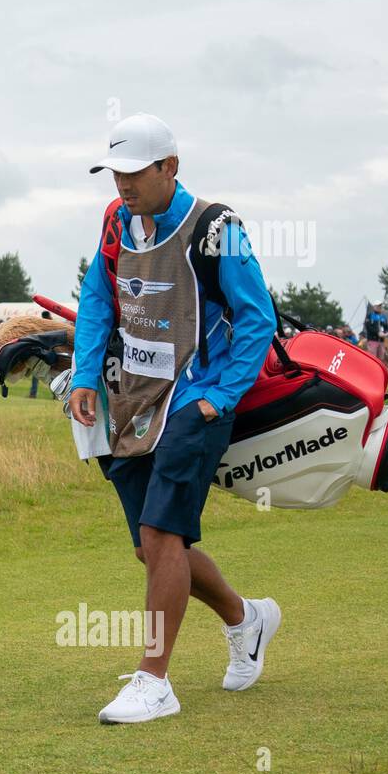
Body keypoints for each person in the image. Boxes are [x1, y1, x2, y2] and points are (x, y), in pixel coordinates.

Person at [67, 113, 280, 724]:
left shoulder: (218, 228)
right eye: (115, 173)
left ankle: (154, 680)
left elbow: (256, 318)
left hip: (196, 401)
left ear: (171, 167)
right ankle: (246, 618)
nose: (123, 185)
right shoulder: (114, 221)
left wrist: (220, 398)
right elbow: (99, 297)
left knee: (162, 536)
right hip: (132, 400)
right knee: (153, 546)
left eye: (135, 172)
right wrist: (85, 374)